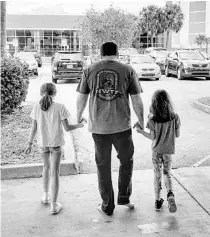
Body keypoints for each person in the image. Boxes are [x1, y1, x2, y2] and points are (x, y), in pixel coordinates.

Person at [76, 42, 144, 216]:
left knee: (103, 166)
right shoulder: (128, 70)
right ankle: (124, 197)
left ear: (100, 53)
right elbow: (137, 100)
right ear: (117, 52)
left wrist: (78, 117)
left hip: (99, 128)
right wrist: (141, 121)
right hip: (122, 127)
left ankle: (107, 206)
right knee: (126, 161)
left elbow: (81, 98)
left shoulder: (89, 70)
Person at [25, 82, 85, 215]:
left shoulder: (36, 107)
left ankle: (45, 196)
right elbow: (67, 128)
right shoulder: (60, 107)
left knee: (46, 168)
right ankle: (54, 204)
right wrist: (80, 125)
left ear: (41, 93)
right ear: (55, 93)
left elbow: (33, 128)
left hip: (43, 144)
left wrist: (29, 143)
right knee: (55, 173)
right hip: (56, 144)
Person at [135, 89, 181, 213]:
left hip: (156, 151)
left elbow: (152, 137)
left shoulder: (152, 119)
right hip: (168, 151)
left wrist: (140, 131)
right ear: (168, 101)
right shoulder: (175, 117)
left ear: (154, 103)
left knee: (157, 175)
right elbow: (177, 135)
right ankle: (170, 194)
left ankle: (157, 201)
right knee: (167, 173)